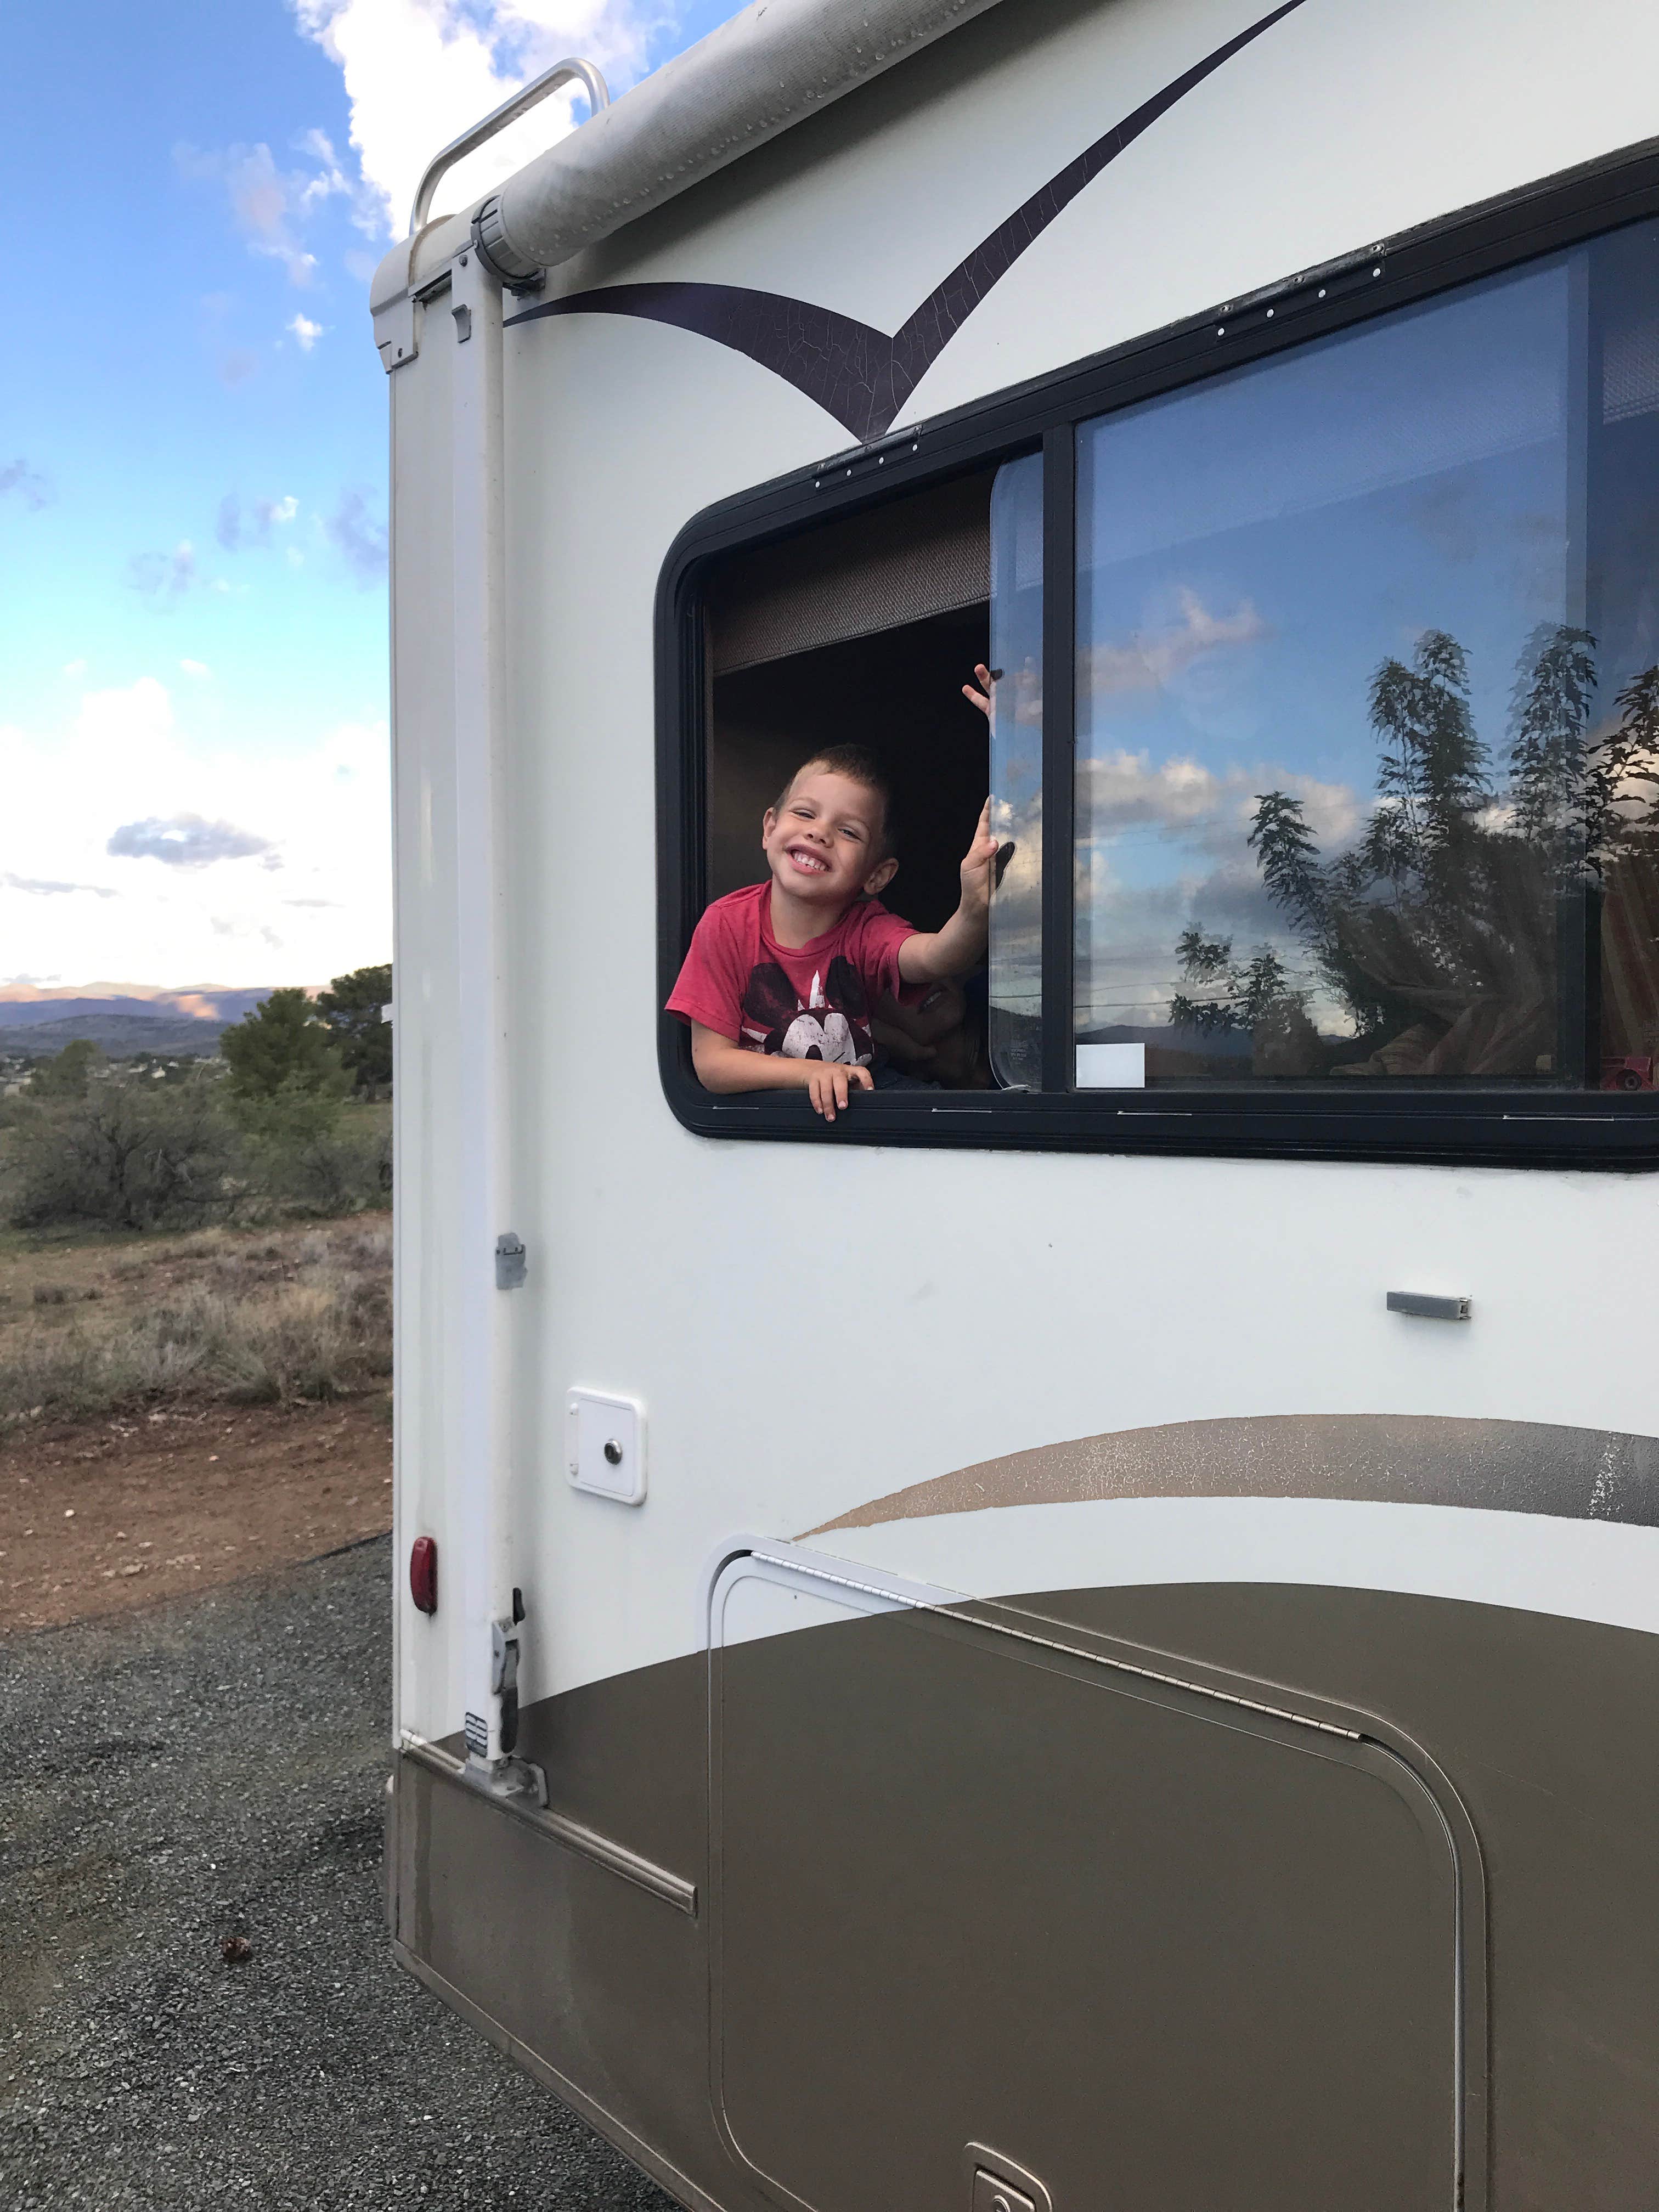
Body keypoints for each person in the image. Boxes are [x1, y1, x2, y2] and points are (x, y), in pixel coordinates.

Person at [668, 684, 1000, 1120]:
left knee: (949, 1121)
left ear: (877, 875)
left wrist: (973, 908)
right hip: (770, 1107)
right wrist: (811, 1073)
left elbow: (936, 956)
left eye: (848, 832)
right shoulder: (726, 924)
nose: (819, 832)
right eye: (805, 813)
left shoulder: (865, 929)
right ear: (769, 828)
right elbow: (712, 1065)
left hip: (861, 1096)